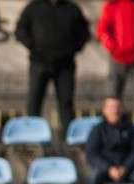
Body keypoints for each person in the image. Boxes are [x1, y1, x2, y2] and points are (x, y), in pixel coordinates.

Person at [15, 0, 90, 133]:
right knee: (34, 100)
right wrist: (32, 46)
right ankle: (33, 134)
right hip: (39, 62)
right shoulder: (33, 7)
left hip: (65, 65)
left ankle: (69, 136)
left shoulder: (72, 9)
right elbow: (21, 29)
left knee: (66, 103)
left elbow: (83, 32)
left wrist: (73, 48)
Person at [85, 96, 134, 184]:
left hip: (127, 170)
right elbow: (92, 153)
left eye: (118, 107)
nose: (115, 111)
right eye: (111, 107)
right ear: (104, 110)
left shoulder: (132, 130)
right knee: (93, 177)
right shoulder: (97, 130)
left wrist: (125, 168)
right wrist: (108, 168)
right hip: (104, 170)